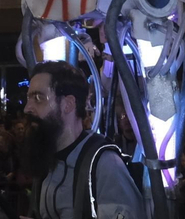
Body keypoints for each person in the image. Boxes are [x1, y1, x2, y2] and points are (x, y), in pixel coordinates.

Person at [23, 62, 144, 219]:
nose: (27, 108)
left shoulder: (105, 164)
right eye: (28, 98)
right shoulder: (46, 161)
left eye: (39, 98)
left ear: (68, 104)